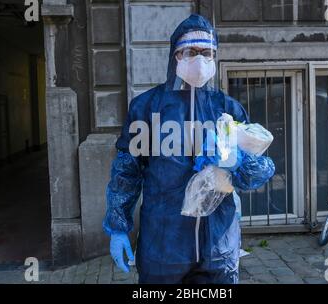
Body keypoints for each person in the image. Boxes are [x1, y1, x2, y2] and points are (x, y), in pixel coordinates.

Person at [102, 14, 275, 284]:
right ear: (176, 56)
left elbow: (261, 171)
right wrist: (118, 227)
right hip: (162, 249)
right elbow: (126, 173)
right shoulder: (147, 107)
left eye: (208, 53)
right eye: (191, 51)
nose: (200, 60)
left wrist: (238, 162)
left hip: (218, 249)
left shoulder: (227, 109)